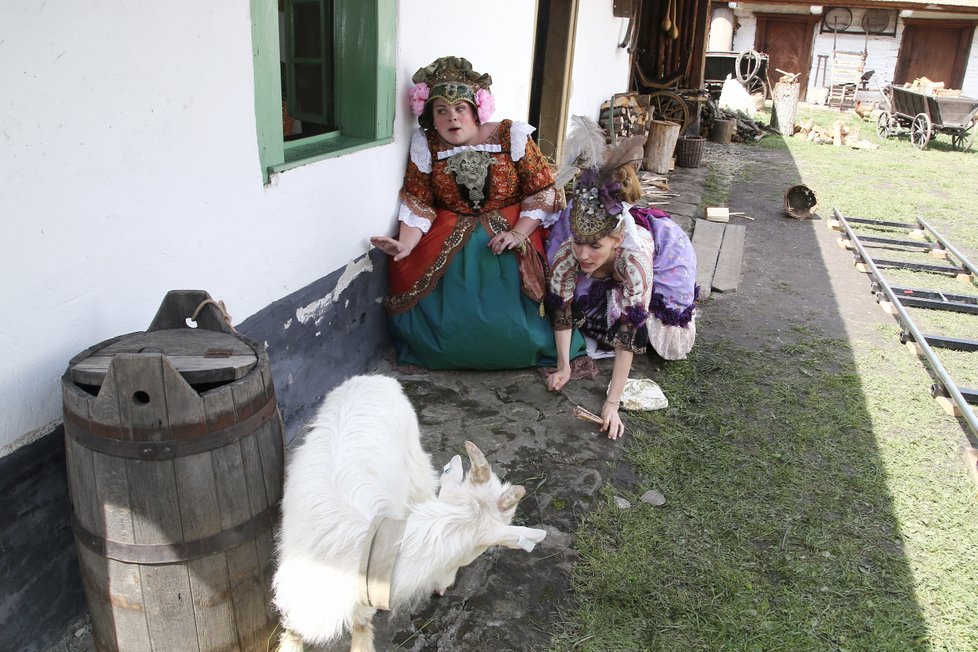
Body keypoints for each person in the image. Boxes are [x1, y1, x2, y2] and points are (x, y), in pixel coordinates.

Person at [370, 56, 585, 369]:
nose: (452, 119)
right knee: (415, 272)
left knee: (524, 277)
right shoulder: (427, 144)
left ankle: (525, 343)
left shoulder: (510, 135)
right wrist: (405, 245)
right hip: (448, 229)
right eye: (441, 111)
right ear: (430, 115)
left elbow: (542, 190)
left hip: (513, 225)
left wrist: (518, 232)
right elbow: (420, 200)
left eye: (460, 109)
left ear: (476, 110)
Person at [545, 144, 698, 440]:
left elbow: (628, 335)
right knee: (585, 310)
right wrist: (563, 366)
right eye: (578, 242)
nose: (583, 254)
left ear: (617, 240)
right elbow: (561, 309)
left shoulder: (634, 260)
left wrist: (612, 403)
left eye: (594, 246)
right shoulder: (570, 253)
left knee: (655, 338)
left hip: (661, 253)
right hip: (612, 267)